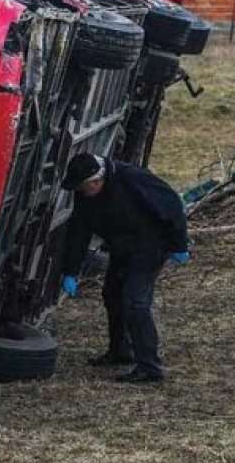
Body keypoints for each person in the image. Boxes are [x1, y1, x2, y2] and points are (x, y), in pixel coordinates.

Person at [59, 153, 190, 383]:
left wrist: (179, 244)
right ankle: (121, 351)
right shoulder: (86, 195)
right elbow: (79, 231)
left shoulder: (132, 179)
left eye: (83, 187)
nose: (80, 193)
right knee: (112, 294)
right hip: (122, 247)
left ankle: (149, 367)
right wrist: (71, 270)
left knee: (135, 302)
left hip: (151, 245)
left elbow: (171, 205)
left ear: (96, 181)